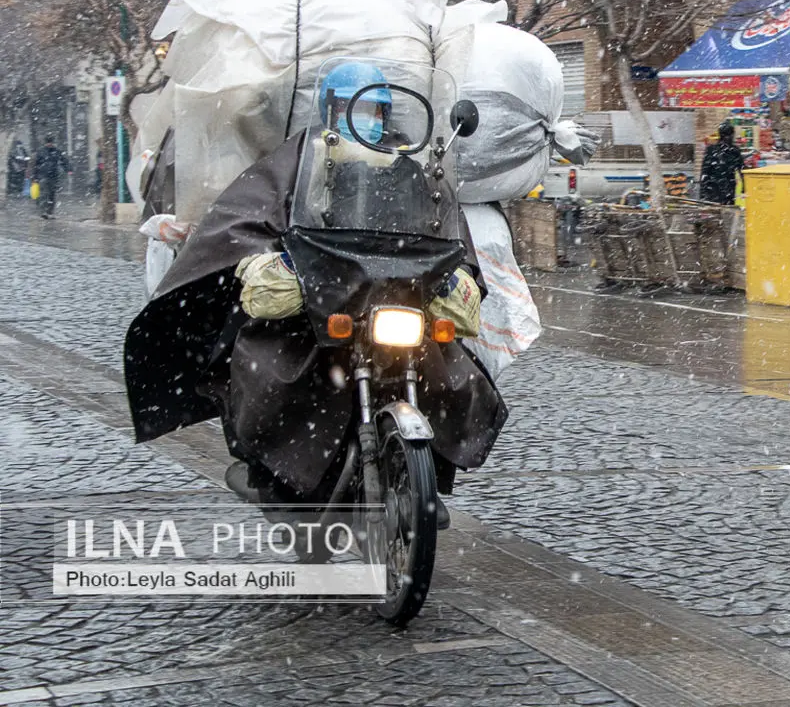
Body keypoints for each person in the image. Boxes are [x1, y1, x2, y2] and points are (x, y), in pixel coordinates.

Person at [125, 59, 505, 530]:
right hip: (320, 305)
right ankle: (273, 478)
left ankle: (423, 475)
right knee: (269, 370)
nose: (364, 118)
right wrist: (270, 258)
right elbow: (245, 216)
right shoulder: (296, 159)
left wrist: (455, 269)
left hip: (392, 300)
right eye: (352, 107)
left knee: (450, 371)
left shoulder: (410, 165)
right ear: (330, 109)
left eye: (375, 110)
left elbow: (442, 221)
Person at [699, 121, 744, 204]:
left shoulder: (711, 150)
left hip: (713, 188)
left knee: (714, 213)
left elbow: (704, 172)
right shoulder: (734, 151)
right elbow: (742, 169)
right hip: (727, 188)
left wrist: (703, 192)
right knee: (727, 212)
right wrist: (744, 188)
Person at [32, 135, 71, 218]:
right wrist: (35, 177)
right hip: (43, 176)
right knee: (44, 194)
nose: (49, 144)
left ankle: (50, 212)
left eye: (51, 142)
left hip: (53, 176)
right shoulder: (42, 152)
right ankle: (43, 211)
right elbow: (36, 165)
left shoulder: (56, 151)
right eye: (48, 142)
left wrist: (68, 169)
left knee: (52, 195)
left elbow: (63, 161)